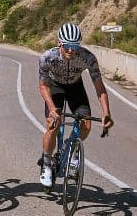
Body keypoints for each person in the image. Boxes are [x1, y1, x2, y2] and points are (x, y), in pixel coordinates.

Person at [36, 22, 114, 188]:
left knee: (86, 124)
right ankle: (47, 164)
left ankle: (68, 146)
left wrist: (106, 112)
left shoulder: (88, 58)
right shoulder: (47, 57)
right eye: (67, 45)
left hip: (75, 87)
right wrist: (51, 109)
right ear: (59, 43)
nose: (71, 49)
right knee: (53, 124)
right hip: (55, 86)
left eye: (75, 45)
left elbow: (100, 88)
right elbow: (43, 86)